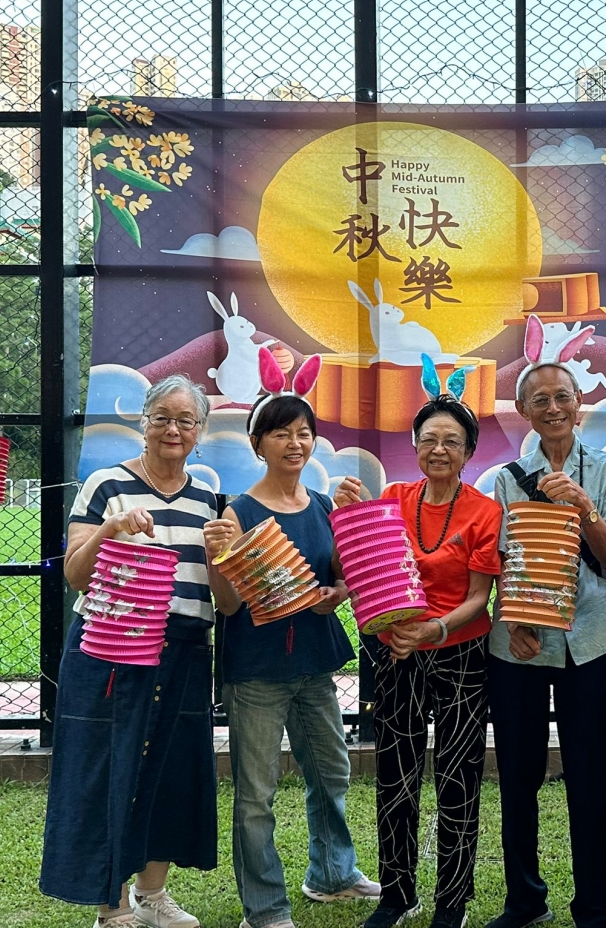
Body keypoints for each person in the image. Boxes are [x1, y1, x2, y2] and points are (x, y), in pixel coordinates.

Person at [203, 354, 380, 928]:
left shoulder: (325, 506)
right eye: (281, 433)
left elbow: (345, 577)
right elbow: (229, 606)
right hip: (256, 672)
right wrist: (216, 558)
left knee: (331, 772)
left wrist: (339, 591)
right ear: (258, 443)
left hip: (314, 662)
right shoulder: (237, 513)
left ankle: (331, 876)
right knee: (256, 795)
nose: (295, 443)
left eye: (304, 433)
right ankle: (264, 908)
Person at [40, 374, 218, 928]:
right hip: (111, 647)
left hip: (185, 647)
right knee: (106, 767)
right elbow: (75, 574)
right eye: (162, 417)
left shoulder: (207, 496)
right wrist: (110, 529)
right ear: (143, 422)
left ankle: (151, 894)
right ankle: (110, 905)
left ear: (200, 430)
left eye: (185, 420)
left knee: (170, 769)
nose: (172, 429)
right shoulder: (105, 484)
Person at [336, 364, 502, 928]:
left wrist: (435, 630)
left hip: (461, 653)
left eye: (452, 441)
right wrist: (351, 511)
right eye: (429, 439)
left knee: (459, 777)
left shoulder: (484, 511)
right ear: (414, 444)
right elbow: (370, 571)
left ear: (469, 451)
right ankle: (396, 894)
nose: (439, 450)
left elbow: (479, 598)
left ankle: (452, 901)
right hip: (396, 652)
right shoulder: (392, 499)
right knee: (396, 775)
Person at [485, 315, 606, 928]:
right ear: (523, 410)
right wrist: (512, 618)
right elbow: (497, 559)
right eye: (540, 399)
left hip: (592, 639)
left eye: (562, 397)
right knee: (518, 776)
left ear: (579, 405)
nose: (552, 408)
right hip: (518, 644)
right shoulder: (504, 480)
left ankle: (596, 906)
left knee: (592, 774)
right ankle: (524, 901)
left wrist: (585, 507)